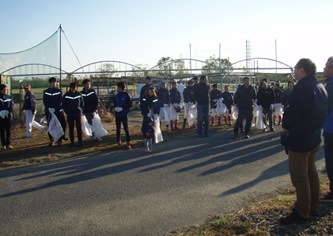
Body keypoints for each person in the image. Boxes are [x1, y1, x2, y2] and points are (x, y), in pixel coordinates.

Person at [280, 58, 327, 224]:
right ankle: (314, 207)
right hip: (315, 136)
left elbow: (293, 112)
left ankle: (302, 211)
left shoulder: (303, 88)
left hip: (300, 138)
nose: (294, 71)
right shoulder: (319, 87)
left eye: (296, 68)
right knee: (311, 173)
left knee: (300, 177)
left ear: (303, 70)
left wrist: (285, 127)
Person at [321, 57, 333, 202]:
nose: (323, 68)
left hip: (331, 128)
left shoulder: (330, 86)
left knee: (330, 161)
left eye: (326, 66)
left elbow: (325, 108)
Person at [43, 77, 66, 146]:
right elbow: (45, 101)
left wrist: (57, 108)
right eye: (52, 82)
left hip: (58, 111)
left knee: (61, 124)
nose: (54, 83)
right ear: (50, 83)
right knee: (51, 125)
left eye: (55, 82)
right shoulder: (46, 91)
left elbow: (61, 101)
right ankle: (51, 140)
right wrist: (49, 108)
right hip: (49, 111)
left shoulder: (59, 91)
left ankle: (59, 139)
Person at [62, 83, 84, 147]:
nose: (74, 89)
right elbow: (64, 105)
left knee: (79, 128)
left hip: (78, 114)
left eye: (75, 87)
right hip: (70, 115)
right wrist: (67, 112)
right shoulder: (66, 95)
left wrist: (81, 111)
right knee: (71, 128)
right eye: (72, 87)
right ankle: (72, 142)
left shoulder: (79, 94)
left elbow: (82, 104)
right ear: (70, 88)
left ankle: (80, 141)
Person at [114, 82, 132, 149]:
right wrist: (115, 108)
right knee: (118, 129)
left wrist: (123, 108)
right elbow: (114, 103)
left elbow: (130, 104)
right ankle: (119, 142)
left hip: (124, 114)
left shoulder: (127, 95)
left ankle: (128, 142)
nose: (117, 89)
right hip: (117, 114)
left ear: (121, 88)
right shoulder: (116, 95)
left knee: (126, 128)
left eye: (118, 87)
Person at [0, 84, 14, 150]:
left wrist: (8, 111)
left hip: (8, 116)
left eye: (6, 89)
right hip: (1, 116)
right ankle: (3, 145)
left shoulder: (9, 97)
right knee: (2, 130)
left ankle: (8, 143)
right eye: (4, 90)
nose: (5, 91)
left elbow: (11, 105)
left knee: (9, 130)